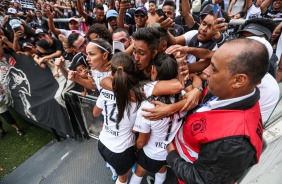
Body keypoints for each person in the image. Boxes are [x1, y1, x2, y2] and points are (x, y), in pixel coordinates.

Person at [166, 38, 268, 184]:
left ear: (239, 80)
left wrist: (171, 155)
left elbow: (201, 179)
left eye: (214, 69)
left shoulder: (235, 143)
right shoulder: (229, 92)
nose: (207, 73)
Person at [129, 52, 187, 184]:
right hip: (170, 151)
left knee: (139, 171)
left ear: (153, 70)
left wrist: (136, 148)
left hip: (151, 152)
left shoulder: (148, 106)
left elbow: (142, 141)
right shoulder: (184, 96)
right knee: (161, 169)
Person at [93, 52, 144, 184]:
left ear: (111, 72)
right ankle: (119, 176)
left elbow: (95, 113)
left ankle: (115, 174)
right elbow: (136, 128)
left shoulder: (105, 90)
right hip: (121, 150)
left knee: (114, 167)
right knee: (123, 179)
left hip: (102, 143)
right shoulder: (138, 98)